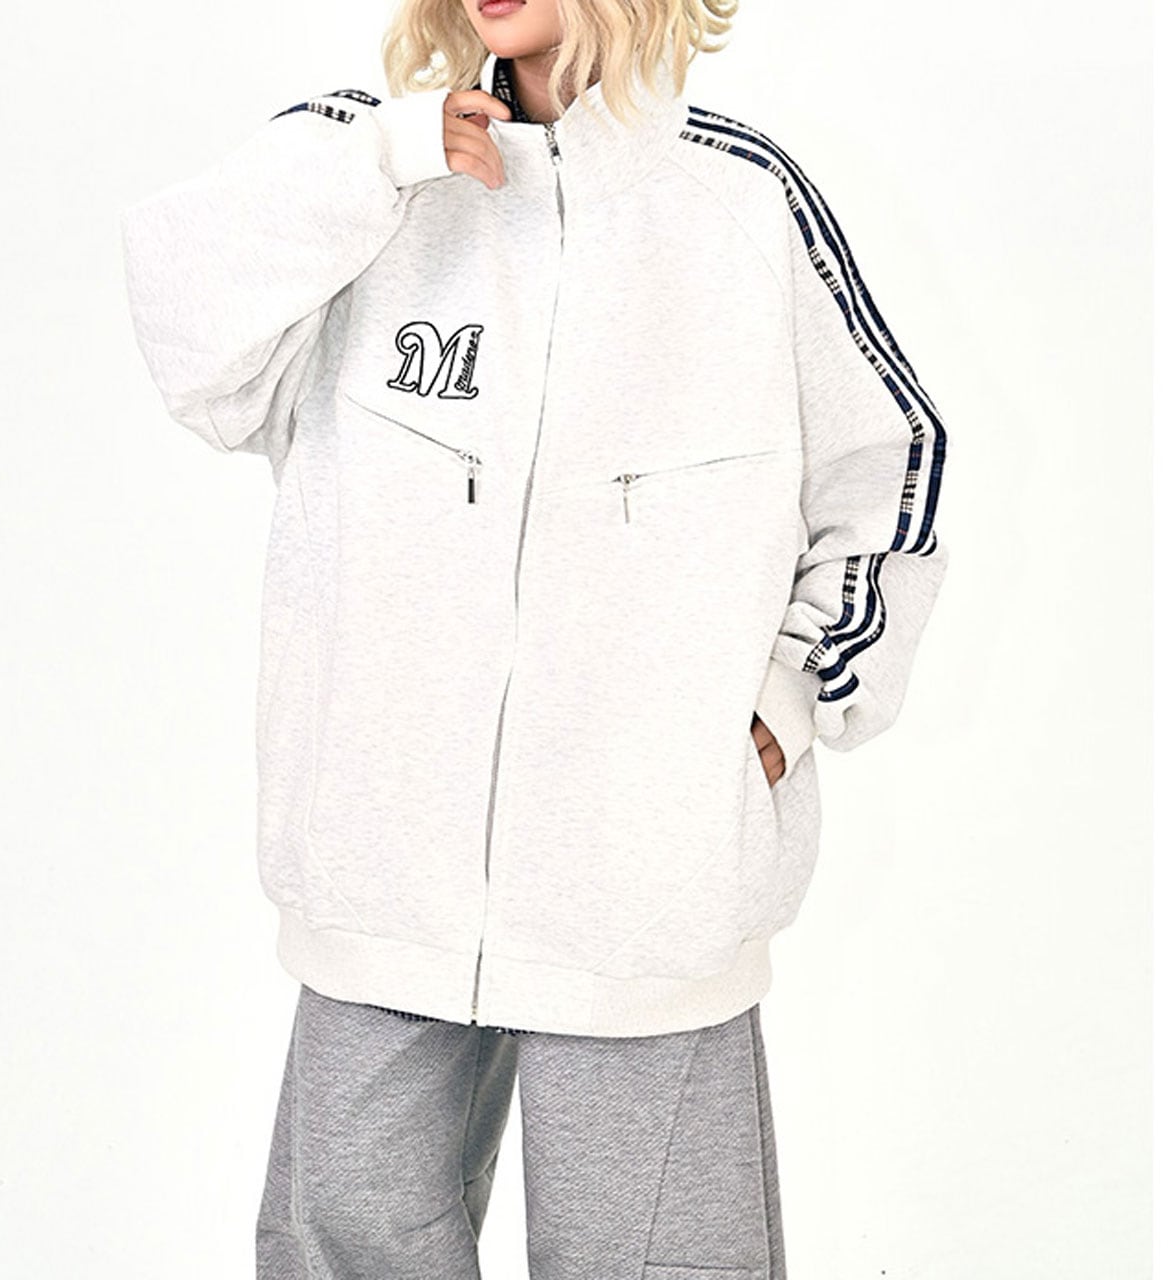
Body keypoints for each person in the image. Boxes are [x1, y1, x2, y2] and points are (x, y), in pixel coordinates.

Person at [118, 0, 950, 1274]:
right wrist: (384, 159)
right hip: (381, 872)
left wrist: (786, 698)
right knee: (342, 1241)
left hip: (645, 887)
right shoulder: (365, 173)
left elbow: (890, 471)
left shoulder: (741, 200)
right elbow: (187, 332)